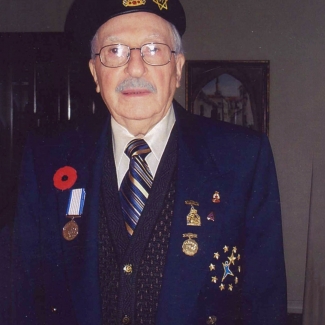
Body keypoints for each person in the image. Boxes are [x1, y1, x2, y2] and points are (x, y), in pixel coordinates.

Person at [7, 0, 287, 324]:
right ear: (95, 73)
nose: (135, 68)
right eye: (114, 51)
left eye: (153, 49)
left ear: (178, 68)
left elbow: (265, 303)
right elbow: (23, 296)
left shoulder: (244, 160)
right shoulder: (46, 158)